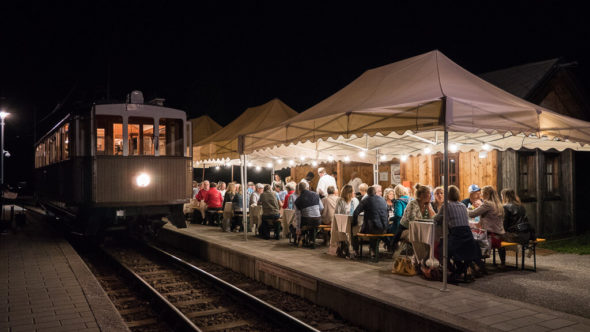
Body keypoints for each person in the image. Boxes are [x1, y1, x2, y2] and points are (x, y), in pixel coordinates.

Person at [434, 185, 482, 282]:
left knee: (442, 250)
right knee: (458, 252)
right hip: (468, 236)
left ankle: (455, 272)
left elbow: (436, 219)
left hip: (456, 236)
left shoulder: (446, 205)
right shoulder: (463, 206)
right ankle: (460, 271)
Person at [391, 183, 435, 251]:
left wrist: (429, 208)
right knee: (420, 238)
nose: (431, 195)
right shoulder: (413, 203)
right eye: (429, 193)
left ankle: (423, 256)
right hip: (405, 229)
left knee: (430, 237)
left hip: (421, 229)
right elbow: (412, 219)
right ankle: (419, 257)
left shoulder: (428, 204)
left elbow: (434, 217)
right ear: (421, 195)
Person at [468, 185, 505, 261]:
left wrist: (463, 208)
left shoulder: (488, 204)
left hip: (490, 237)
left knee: (470, 242)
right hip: (499, 236)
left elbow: (472, 214)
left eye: (482, 193)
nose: (481, 195)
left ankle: (477, 265)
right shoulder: (499, 205)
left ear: (486, 194)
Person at [500, 188, 535, 267]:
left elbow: (505, 225)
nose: (501, 198)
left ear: (505, 196)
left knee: (498, 238)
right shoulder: (521, 206)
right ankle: (525, 248)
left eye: (501, 196)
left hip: (516, 235)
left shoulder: (505, 207)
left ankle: (503, 263)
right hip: (526, 235)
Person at [352, 186, 388, 260]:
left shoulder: (366, 200)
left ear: (367, 193)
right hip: (384, 228)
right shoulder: (382, 200)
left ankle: (356, 251)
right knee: (373, 227)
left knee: (354, 231)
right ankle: (373, 250)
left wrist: (354, 222)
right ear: (375, 192)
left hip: (372, 229)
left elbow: (356, 212)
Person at [330, 184, 360, 257]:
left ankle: (355, 249)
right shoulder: (340, 200)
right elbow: (337, 213)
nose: (354, 193)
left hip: (351, 220)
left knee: (355, 231)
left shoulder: (354, 200)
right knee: (343, 232)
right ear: (348, 193)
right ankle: (344, 247)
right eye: (353, 191)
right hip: (340, 221)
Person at [294, 181, 323, 248]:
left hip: (307, 220)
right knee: (313, 225)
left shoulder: (297, 200)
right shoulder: (316, 195)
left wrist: (298, 228)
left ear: (299, 189)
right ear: (307, 188)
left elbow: (298, 216)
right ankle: (312, 241)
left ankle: (302, 237)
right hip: (317, 219)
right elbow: (321, 207)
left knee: (304, 222)